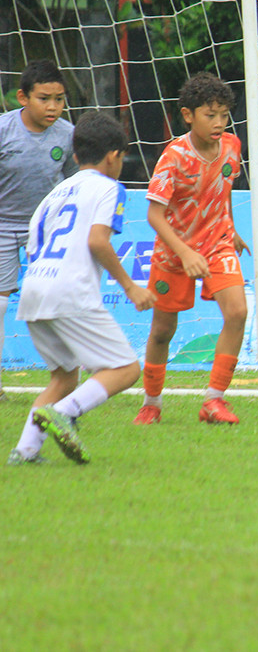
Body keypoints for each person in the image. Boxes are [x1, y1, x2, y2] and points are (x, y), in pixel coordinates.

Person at [7, 112, 155, 465]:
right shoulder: (109, 187)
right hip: (69, 290)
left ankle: (25, 450)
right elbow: (97, 242)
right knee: (125, 369)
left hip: (34, 289)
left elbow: (33, 245)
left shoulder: (54, 193)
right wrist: (130, 287)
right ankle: (66, 412)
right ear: (114, 157)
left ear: (75, 157)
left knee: (63, 376)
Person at [133, 72, 248, 426]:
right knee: (163, 330)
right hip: (174, 253)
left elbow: (223, 189)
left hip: (218, 244)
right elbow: (154, 213)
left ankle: (214, 401)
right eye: (209, 115)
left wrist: (233, 229)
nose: (218, 123)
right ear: (188, 115)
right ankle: (151, 403)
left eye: (224, 115)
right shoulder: (174, 157)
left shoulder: (232, 146)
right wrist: (184, 252)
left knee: (238, 312)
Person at [0, 59, 77, 402]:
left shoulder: (68, 135)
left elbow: (78, 180)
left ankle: (62, 377)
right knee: (0, 304)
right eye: (44, 98)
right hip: (1, 226)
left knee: (53, 300)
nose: (53, 107)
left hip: (45, 230)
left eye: (59, 99)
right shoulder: (4, 130)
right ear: (22, 98)